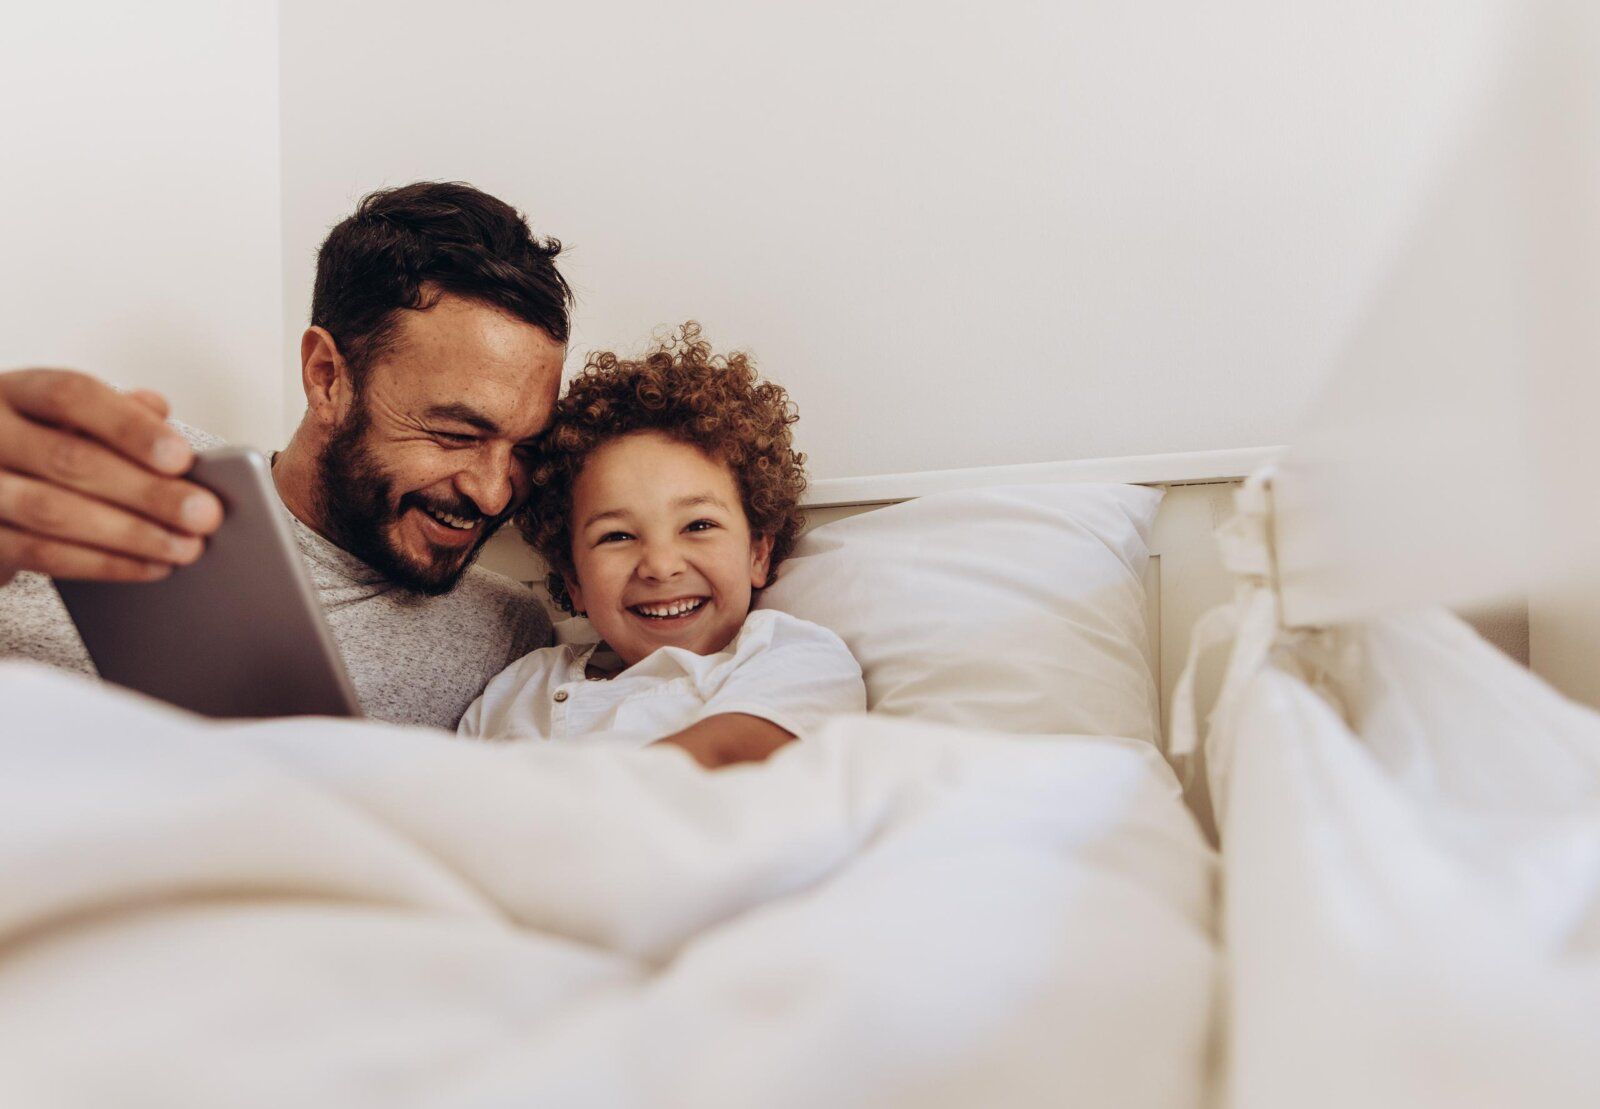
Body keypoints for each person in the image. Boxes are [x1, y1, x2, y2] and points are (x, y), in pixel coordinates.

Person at [0, 182, 571, 728]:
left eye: (526, 447)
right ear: (327, 378)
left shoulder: (511, 634)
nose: (493, 493)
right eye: (455, 434)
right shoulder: (110, 476)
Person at [457, 325, 865, 768]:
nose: (660, 565)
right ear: (574, 579)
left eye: (698, 525)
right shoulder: (519, 685)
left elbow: (729, 754)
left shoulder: (786, 652)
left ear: (758, 554)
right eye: (617, 536)